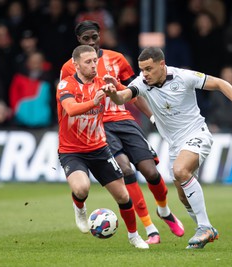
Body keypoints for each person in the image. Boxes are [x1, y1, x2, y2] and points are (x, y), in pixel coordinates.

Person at [103, 47, 232, 249]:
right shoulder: (141, 83)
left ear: (162, 64)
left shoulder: (183, 77)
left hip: (197, 134)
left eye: (149, 69)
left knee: (180, 170)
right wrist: (113, 94)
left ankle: (205, 227)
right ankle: (205, 233)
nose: (145, 74)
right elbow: (124, 97)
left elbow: (221, 83)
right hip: (175, 145)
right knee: (183, 197)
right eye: (142, 70)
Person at [60, 20, 184, 244]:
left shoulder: (117, 59)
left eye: (94, 37)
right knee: (125, 170)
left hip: (124, 120)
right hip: (99, 126)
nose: (91, 42)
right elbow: (66, 101)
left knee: (150, 171)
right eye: (86, 39)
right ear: (79, 41)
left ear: (100, 36)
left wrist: (153, 116)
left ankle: (164, 211)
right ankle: (148, 228)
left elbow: (134, 93)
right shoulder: (70, 67)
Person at [56, 44, 148, 249]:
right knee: (81, 188)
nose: (93, 65)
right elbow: (70, 110)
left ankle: (134, 236)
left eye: (94, 61)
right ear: (76, 64)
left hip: (99, 148)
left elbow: (130, 95)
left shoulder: (102, 83)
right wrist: (95, 100)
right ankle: (79, 208)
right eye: (87, 62)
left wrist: (115, 89)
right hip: (72, 151)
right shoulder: (65, 85)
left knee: (123, 196)